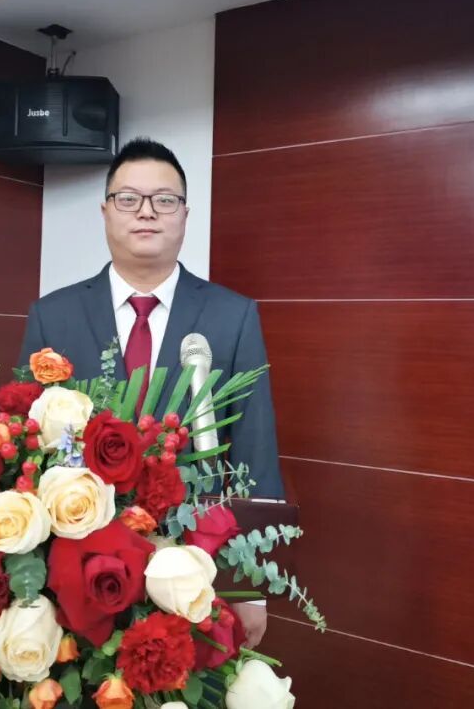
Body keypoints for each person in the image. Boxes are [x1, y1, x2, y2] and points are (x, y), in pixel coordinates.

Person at [18, 136, 285, 645]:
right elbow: (24, 449)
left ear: (184, 215)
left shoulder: (233, 316)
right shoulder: (53, 316)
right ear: (105, 211)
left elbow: (256, 452)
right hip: (80, 561)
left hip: (195, 566)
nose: (147, 212)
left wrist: (248, 587)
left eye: (164, 200)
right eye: (129, 199)